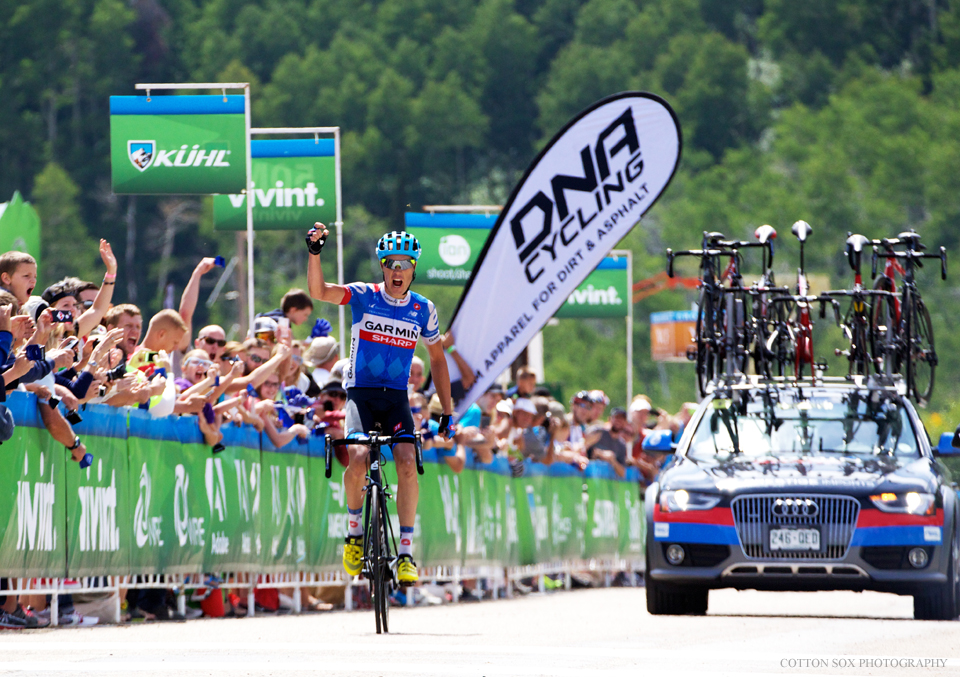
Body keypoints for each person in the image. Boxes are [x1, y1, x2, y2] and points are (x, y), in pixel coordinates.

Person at [306, 224, 454, 586]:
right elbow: (319, 291)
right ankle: (355, 532)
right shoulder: (364, 296)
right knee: (357, 457)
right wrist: (315, 253)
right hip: (361, 393)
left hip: (396, 398)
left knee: (406, 462)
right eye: (390, 263)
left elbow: (437, 360)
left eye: (404, 264)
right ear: (383, 267)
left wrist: (448, 412)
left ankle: (405, 553)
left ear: (414, 268)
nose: (397, 271)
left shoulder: (424, 309)